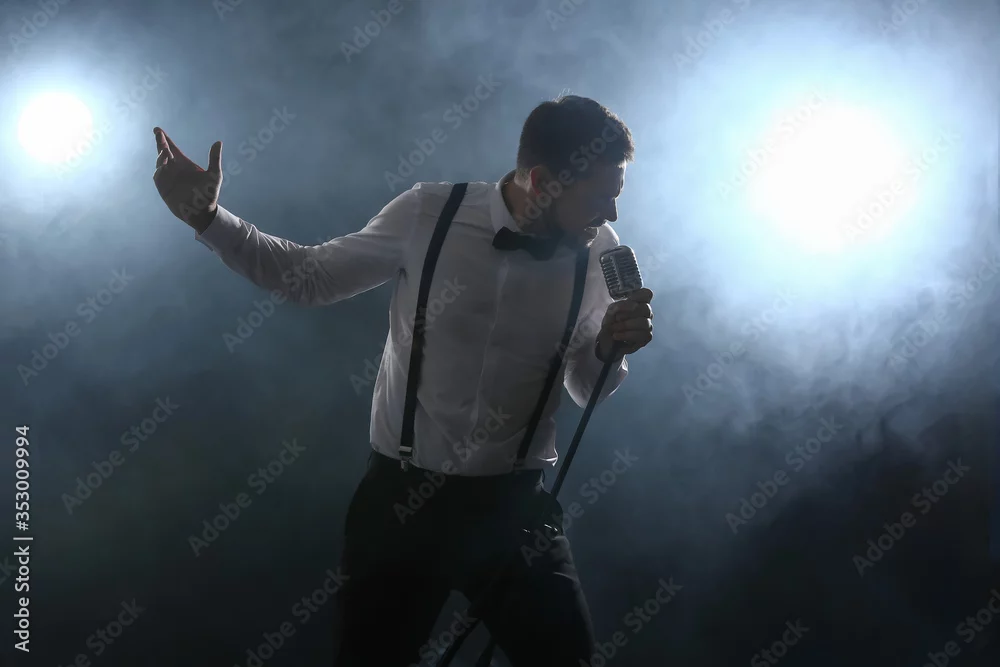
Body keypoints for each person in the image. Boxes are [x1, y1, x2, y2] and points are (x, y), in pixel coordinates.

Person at [151, 94, 654, 667]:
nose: (612, 215)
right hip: (401, 502)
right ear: (541, 181)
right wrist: (209, 219)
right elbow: (308, 278)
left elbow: (586, 389)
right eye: (601, 197)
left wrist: (609, 350)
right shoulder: (430, 213)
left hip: (513, 509)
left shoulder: (600, 254)